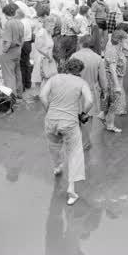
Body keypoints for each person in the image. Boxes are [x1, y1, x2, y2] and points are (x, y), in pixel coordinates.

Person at [40, 58, 93, 205]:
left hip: (52, 119)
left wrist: (48, 110)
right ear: (79, 71)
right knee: (74, 153)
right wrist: (83, 113)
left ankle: (57, 167)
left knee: (54, 146)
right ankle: (71, 190)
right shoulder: (81, 83)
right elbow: (89, 101)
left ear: (66, 68)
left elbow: (42, 95)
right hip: (70, 122)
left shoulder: (54, 78)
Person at [70, 35, 108, 150]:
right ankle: (85, 143)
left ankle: (75, 140)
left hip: (75, 91)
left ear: (81, 44)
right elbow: (102, 78)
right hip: (90, 92)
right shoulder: (97, 58)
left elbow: (69, 74)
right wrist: (104, 90)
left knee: (75, 116)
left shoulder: (74, 56)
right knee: (87, 118)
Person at [101, 30, 127, 132]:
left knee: (110, 100)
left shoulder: (117, 48)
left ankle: (102, 115)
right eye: (125, 40)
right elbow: (112, 69)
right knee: (114, 102)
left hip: (115, 78)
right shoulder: (113, 51)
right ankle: (110, 125)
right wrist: (117, 85)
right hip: (112, 79)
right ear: (120, 40)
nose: (126, 42)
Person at [31, 5, 58, 92]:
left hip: (48, 57)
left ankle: (45, 92)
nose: (52, 27)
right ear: (45, 24)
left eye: (53, 26)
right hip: (41, 57)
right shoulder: (41, 32)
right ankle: (38, 93)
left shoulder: (48, 32)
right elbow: (38, 47)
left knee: (48, 75)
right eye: (51, 26)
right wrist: (48, 56)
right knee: (39, 75)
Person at [0, 3, 24, 98]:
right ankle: (19, 93)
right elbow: (22, 39)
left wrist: (3, 51)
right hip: (18, 50)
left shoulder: (9, 23)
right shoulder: (20, 22)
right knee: (17, 72)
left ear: (6, 13)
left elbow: (8, 41)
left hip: (9, 52)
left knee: (9, 75)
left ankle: (11, 96)